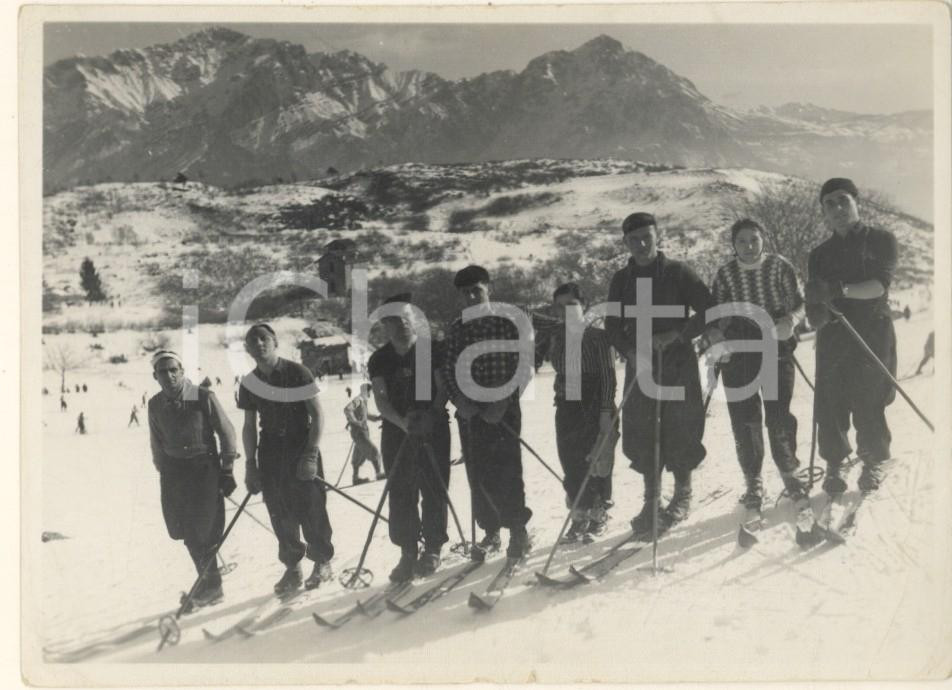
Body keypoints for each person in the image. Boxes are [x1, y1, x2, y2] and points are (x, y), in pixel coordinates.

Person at [605, 212, 722, 536]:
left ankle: (682, 492)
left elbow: (709, 309)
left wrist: (678, 335)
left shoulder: (677, 272)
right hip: (640, 363)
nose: (641, 244)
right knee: (641, 430)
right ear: (625, 243)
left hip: (677, 361)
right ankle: (651, 499)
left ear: (658, 237)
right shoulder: (621, 280)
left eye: (647, 237)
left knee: (681, 426)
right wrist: (630, 350)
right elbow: (612, 326)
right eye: (634, 240)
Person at [805, 178, 898, 496]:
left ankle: (873, 460)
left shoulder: (881, 240)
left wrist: (839, 290)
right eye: (829, 203)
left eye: (843, 200)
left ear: (857, 202)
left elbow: (879, 285)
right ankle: (835, 462)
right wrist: (815, 311)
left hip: (871, 330)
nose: (838, 208)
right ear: (824, 212)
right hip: (833, 335)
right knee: (830, 400)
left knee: (868, 398)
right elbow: (815, 302)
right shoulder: (818, 254)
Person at [711, 219, 808, 510]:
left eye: (754, 240)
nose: (749, 247)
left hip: (775, 341)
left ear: (763, 239)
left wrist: (790, 320)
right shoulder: (726, 273)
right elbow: (715, 311)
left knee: (778, 412)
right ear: (734, 245)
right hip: (740, 344)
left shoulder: (780, 266)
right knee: (744, 417)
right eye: (742, 241)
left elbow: (799, 303)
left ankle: (789, 472)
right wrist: (716, 335)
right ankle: (753, 480)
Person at [443, 265, 533, 559]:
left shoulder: (509, 320)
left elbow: (525, 365)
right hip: (470, 411)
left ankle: (518, 531)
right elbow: (448, 369)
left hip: (503, 408)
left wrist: (503, 402)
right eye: (465, 293)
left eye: (476, 291)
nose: (471, 297)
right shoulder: (457, 327)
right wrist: (460, 402)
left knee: (507, 471)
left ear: (488, 289)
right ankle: (490, 530)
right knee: (477, 473)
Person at [238, 323, 335, 595]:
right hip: (269, 451)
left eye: (264, 338)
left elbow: (317, 415)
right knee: (280, 513)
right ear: (247, 348)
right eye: (252, 340)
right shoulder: (249, 383)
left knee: (311, 508)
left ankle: (322, 562)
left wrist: (311, 454)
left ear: (275, 342)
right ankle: (292, 567)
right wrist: (250, 465)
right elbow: (248, 426)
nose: (258, 343)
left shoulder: (297, 372)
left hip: (299, 445)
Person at [368, 294, 451, 581]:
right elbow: (381, 400)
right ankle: (407, 551)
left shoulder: (433, 350)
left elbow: (443, 389)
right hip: (397, 430)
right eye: (393, 321)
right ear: (385, 327)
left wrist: (432, 415)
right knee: (400, 491)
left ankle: (433, 548)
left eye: (405, 318)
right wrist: (402, 422)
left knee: (434, 487)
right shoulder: (379, 359)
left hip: (433, 426)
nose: (401, 325)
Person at [148, 350, 238, 609]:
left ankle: (212, 586)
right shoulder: (155, 404)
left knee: (204, 530)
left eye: (173, 369)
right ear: (155, 376)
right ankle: (207, 582)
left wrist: (227, 468)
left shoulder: (201, 396)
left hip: (204, 470)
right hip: (174, 473)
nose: (169, 375)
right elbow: (156, 442)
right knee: (184, 532)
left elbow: (227, 432)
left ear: (182, 371)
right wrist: (164, 472)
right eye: (163, 371)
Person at [547, 282, 618, 542]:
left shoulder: (597, 337)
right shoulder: (558, 337)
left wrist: (605, 412)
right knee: (571, 461)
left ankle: (599, 513)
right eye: (561, 307)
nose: (566, 311)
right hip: (567, 404)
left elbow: (608, 377)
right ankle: (579, 514)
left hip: (594, 402)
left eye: (572, 305)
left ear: (584, 306)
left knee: (596, 460)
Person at [344, 384, 384, 484]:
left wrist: (378, 418)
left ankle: (355, 478)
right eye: (370, 392)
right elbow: (347, 409)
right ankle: (379, 473)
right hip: (359, 432)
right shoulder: (359, 399)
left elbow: (367, 416)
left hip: (362, 432)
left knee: (359, 454)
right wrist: (354, 421)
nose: (371, 394)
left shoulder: (363, 401)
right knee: (373, 451)